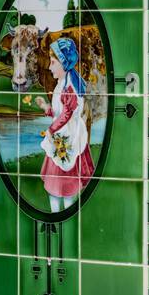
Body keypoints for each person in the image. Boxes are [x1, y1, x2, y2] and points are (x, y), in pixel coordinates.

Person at [35, 35, 94, 212]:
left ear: (63, 63)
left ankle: (63, 215)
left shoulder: (69, 87)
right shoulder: (63, 83)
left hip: (67, 139)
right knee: (55, 189)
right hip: (61, 136)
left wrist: (51, 129)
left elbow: (67, 114)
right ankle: (57, 215)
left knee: (65, 189)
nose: (49, 65)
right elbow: (61, 111)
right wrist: (47, 107)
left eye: (53, 61)